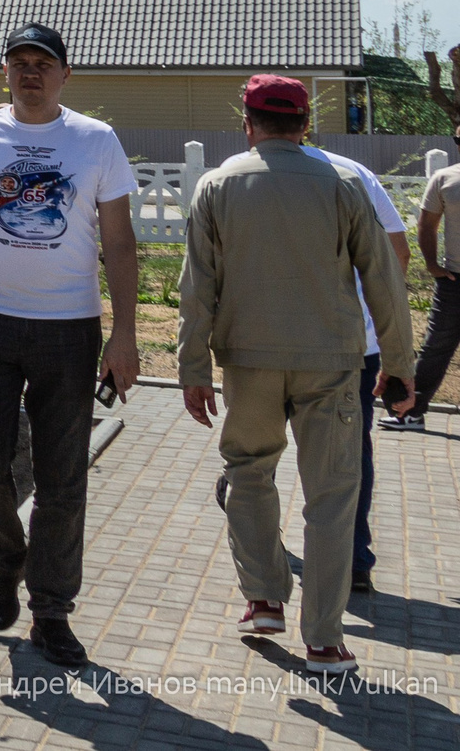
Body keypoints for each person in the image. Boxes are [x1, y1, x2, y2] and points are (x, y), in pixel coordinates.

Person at [0, 23, 140, 670]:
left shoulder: (95, 141)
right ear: (4, 73)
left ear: (66, 75)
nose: (31, 72)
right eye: (20, 62)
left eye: (44, 62)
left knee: (62, 477)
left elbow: (120, 242)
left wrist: (123, 334)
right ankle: (5, 558)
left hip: (69, 332)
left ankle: (52, 612)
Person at [178, 76, 416, 678]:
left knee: (250, 473)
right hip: (332, 365)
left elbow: (197, 288)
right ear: (306, 125)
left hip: (248, 360)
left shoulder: (217, 184)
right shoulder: (343, 182)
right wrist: (399, 365)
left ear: (247, 122)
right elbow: (383, 280)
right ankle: (326, 640)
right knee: (333, 498)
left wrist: (192, 368)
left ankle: (263, 601)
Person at [300, 141, 409, 592]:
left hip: (265, 342)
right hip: (351, 343)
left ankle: (261, 563)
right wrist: (376, 321)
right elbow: (397, 251)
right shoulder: (354, 173)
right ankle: (354, 557)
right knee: (349, 450)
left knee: (258, 442)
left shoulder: (237, 173)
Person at [393, 156, 460, 427]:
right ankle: (412, 412)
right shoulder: (445, 178)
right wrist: (432, 265)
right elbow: (427, 224)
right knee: (436, 347)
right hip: (454, 280)